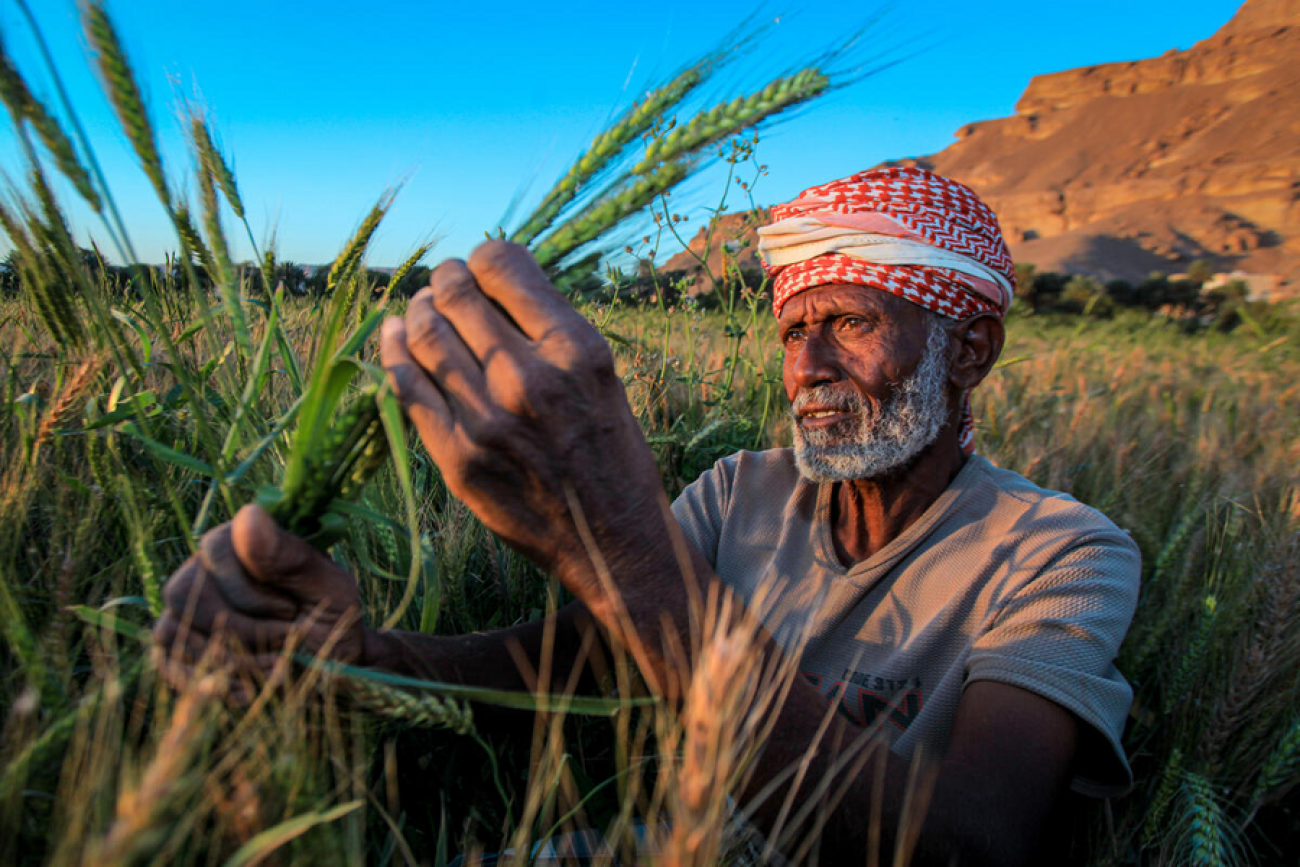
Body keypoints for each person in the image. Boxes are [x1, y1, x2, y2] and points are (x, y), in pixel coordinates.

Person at [154, 166, 1140, 865]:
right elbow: (575, 659)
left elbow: (962, 845)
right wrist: (359, 658)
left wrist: (621, 540)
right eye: (794, 330)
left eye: (848, 322)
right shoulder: (740, 493)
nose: (805, 367)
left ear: (969, 349)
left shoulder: (1059, 552)